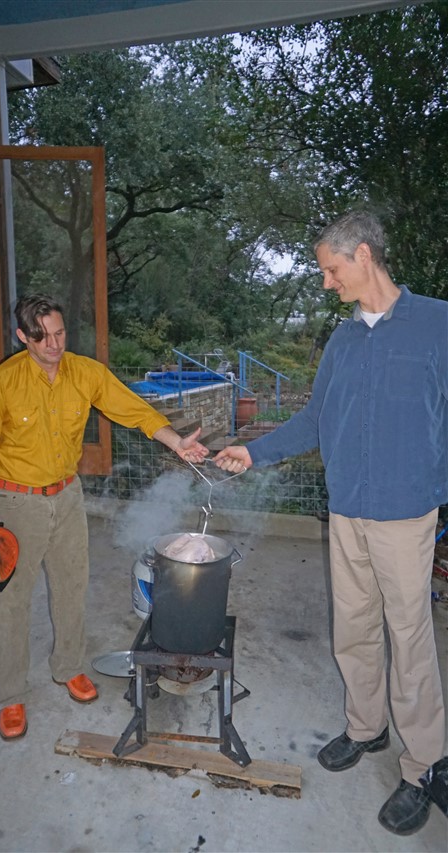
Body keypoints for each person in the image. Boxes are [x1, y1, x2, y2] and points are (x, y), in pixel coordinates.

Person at [214, 210, 447, 836]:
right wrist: (252, 451)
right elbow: (316, 421)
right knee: (354, 628)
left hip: (405, 513)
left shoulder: (436, 324)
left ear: (363, 255)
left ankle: (424, 763)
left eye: (331, 268)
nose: (326, 281)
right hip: (346, 510)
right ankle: (366, 729)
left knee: (411, 639)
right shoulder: (344, 341)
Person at [0, 294, 208, 741]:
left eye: (60, 334)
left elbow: (132, 410)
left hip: (69, 495)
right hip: (18, 502)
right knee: (8, 599)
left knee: (71, 586)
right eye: (43, 337)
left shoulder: (85, 373)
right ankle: (10, 695)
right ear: (23, 336)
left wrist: (176, 442)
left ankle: (68, 668)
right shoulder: (0, 382)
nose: (55, 344)